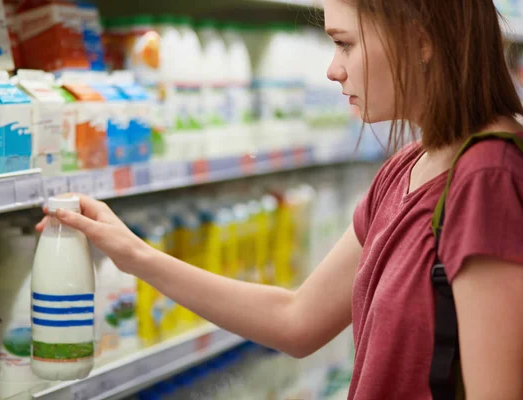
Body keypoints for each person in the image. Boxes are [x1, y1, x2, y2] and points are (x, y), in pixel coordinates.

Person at [37, 0, 523, 398]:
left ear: (421, 39)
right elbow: (297, 321)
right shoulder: (408, 167)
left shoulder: (487, 179)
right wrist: (134, 254)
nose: (333, 70)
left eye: (344, 44)